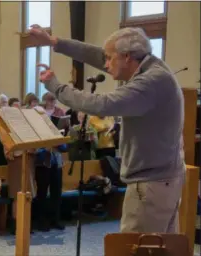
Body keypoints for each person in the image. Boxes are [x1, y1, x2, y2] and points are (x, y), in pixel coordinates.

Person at [30, 25, 185, 233]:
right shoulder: (150, 68)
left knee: (136, 248)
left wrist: (56, 86)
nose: (105, 63)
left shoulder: (150, 82)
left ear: (127, 57)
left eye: (110, 58)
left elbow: (101, 104)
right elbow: (96, 55)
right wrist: (54, 42)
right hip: (161, 179)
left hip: (151, 185)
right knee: (159, 248)